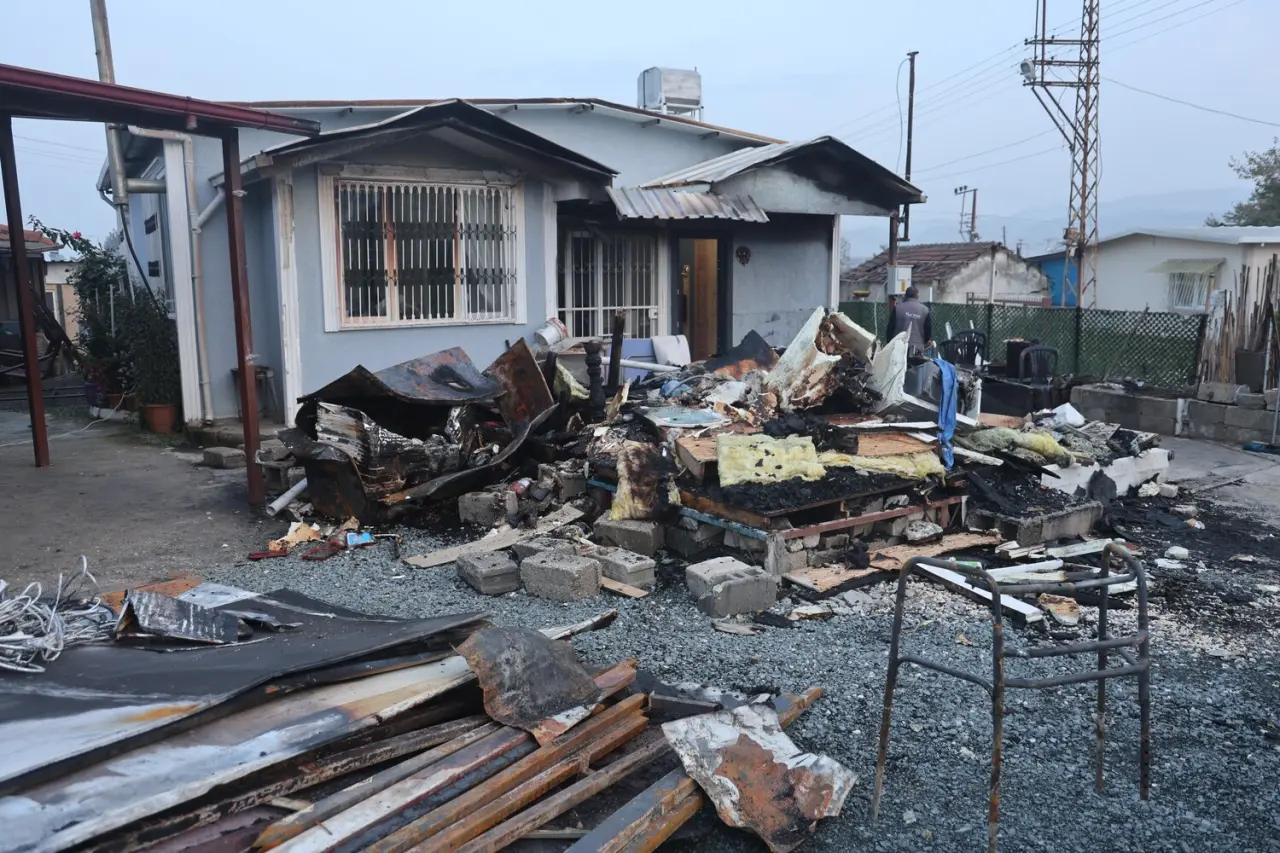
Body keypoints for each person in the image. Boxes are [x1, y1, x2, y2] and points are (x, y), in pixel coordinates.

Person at [885, 286, 932, 356]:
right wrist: (923, 343)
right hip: (917, 350)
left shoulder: (897, 308)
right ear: (917, 296)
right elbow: (928, 332)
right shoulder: (925, 310)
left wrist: (890, 343)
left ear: (905, 295)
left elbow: (890, 329)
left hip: (898, 348)